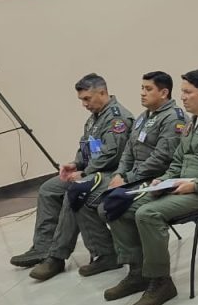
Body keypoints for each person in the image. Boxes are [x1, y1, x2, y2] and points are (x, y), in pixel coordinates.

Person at [102, 70, 198, 305]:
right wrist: (163, 180)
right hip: (180, 185)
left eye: (188, 92)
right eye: (182, 92)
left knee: (148, 214)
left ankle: (161, 282)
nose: (183, 97)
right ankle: (138, 272)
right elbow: (177, 162)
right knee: (119, 206)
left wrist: (196, 185)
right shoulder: (191, 124)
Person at [10, 74, 134, 276]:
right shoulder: (95, 118)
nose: (84, 104)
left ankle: (57, 256)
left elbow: (112, 154)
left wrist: (84, 172)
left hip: (114, 172)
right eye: (81, 100)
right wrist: (75, 164)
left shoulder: (117, 118)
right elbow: (87, 147)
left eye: (87, 99)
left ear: (102, 92)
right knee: (48, 189)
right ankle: (42, 247)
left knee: (76, 191)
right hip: (94, 170)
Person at [75, 72, 185, 279]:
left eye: (148, 89)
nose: (142, 93)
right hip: (134, 175)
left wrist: (127, 178)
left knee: (113, 205)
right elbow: (128, 152)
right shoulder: (144, 117)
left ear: (164, 93)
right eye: (142, 88)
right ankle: (113, 257)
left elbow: (161, 159)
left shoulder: (173, 119)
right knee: (81, 196)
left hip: (157, 178)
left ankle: (138, 268)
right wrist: (120, 174)